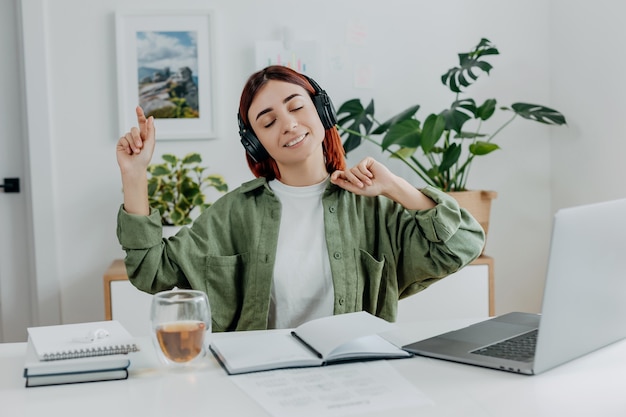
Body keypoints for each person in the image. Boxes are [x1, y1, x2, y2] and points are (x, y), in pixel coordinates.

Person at [116, 65, 485, 332]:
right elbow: (151, 270)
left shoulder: (374, 206)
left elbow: (464, 244)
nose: (289, 124)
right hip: (258, 385)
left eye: (296, 107)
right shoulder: (234, 213)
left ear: (322, 112)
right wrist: (135, 176)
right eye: (268, 120)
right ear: (255, 142)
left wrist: (395, 187)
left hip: (356, 380)